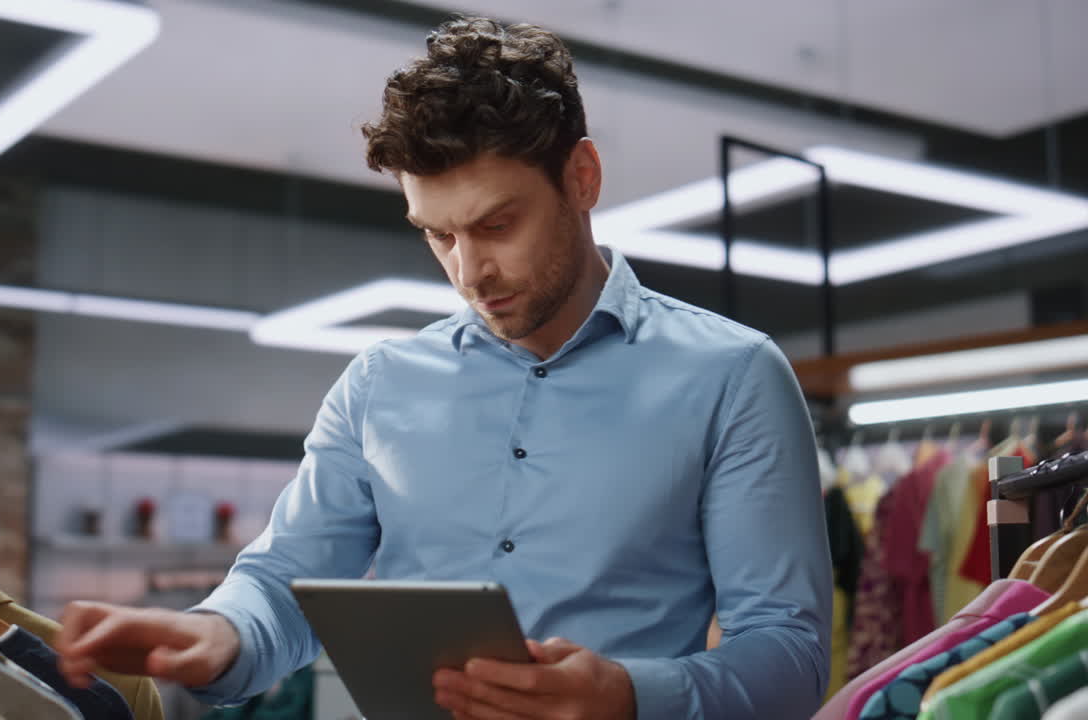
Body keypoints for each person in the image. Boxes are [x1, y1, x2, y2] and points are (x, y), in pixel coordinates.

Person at [56, 16, 832, 719]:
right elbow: (285, 580)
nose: (470, 272)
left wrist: (629, 697)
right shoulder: (377, 384)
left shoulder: (733, 376)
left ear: (583, 178)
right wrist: (215, 634)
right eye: (437, 235)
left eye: (497, 224)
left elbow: (788, 657)